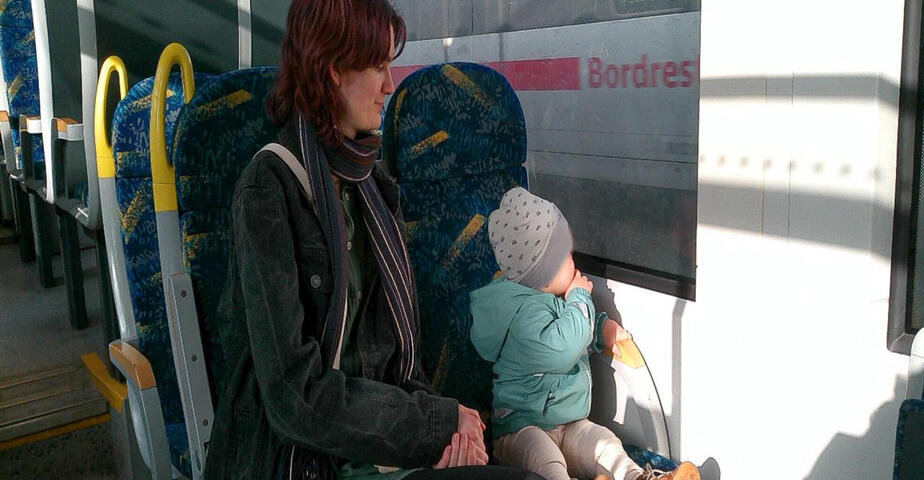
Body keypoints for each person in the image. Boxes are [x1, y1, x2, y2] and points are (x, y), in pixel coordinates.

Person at [203, 2, 542, 479]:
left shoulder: (373, 185)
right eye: (378, 66)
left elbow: (392, 363)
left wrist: (448, 434)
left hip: (376, 451)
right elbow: (293, 397)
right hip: (302, 460)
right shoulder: (269, 191)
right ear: (333, 70)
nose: (389, 84)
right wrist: (434, 423)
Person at [469, 187, 701, 480]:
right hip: (522, 429)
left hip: (569, 422)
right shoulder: (519, 314)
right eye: (566, 255)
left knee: (605, 444)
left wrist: (603, 328)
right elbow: (563, 347)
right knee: (548, 462)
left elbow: (576, 328)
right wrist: (580, 298)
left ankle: (637, 477)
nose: (574, 261)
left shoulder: (554, 295)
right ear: (541, 273)